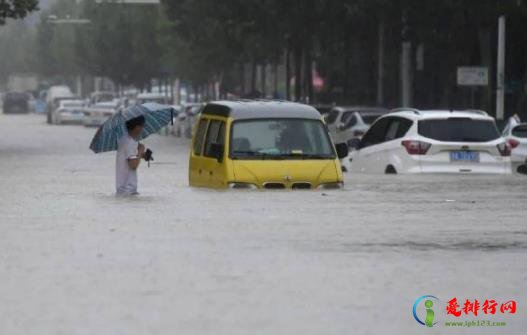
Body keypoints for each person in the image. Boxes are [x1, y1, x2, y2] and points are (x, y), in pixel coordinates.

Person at [116, 116, 146, 195]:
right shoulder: (130, 143)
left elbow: (130, 157)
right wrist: (140, 151)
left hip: (122, 189)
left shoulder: (124, 139)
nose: (143, 128)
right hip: (128, 190)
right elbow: (133, 165)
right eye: (142, 125)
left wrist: (142, 155)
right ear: (137, 127)